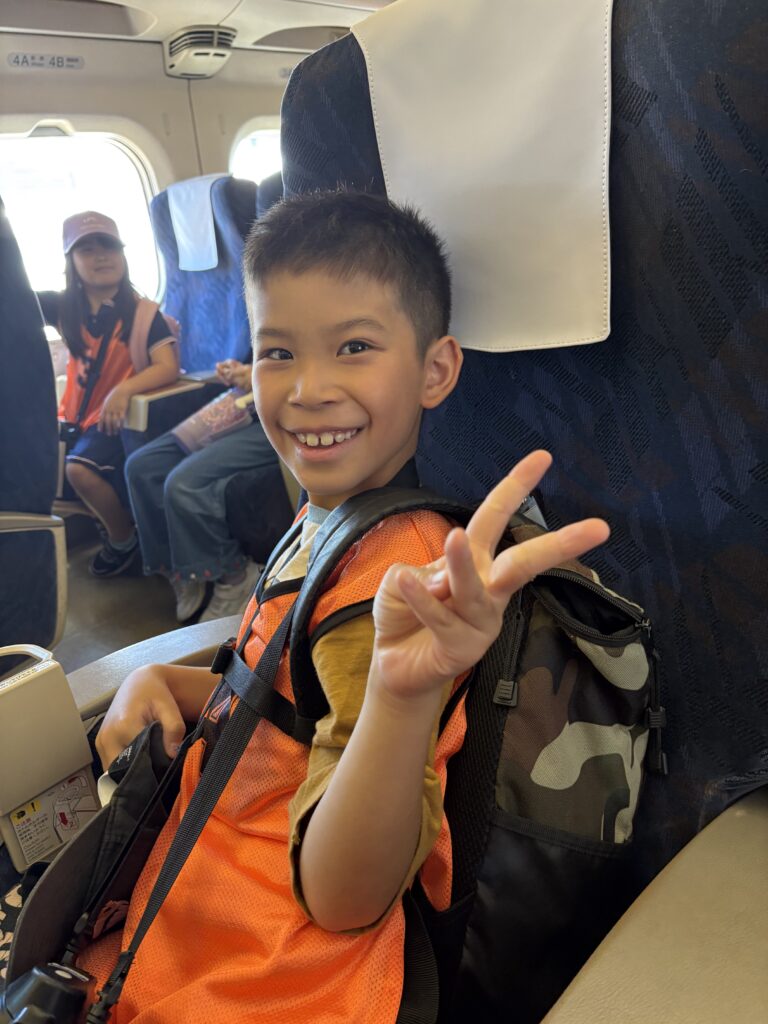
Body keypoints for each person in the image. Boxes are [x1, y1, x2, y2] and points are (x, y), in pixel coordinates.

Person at [84, 191, 609, 1022]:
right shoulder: (329, 517)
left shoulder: (395, 582)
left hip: (272, 981)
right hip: (192, 921)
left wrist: (403, 696)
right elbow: (288, 703)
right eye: (277, 351)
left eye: (354, 347)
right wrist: (159, 679)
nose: (307, 389)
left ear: (436, 370)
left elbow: (345, 899)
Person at [39, 211, 179, 576]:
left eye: (109, 246)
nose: (101, 256)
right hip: (76, 416)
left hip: (117, 418)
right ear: (71, 261)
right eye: (87, 249)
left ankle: (123, 539)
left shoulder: (144, 313)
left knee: (79, 471)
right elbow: (15, 304)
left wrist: (124, 389)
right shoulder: (65, 307)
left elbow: (167, 366)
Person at [124, 358, 279, 623]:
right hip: (246, 400)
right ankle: (181, 568)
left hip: (276, 413)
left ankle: (237, 577)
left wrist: (257, 376)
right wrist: (239, 370)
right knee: (141, 467)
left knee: (183, 485)